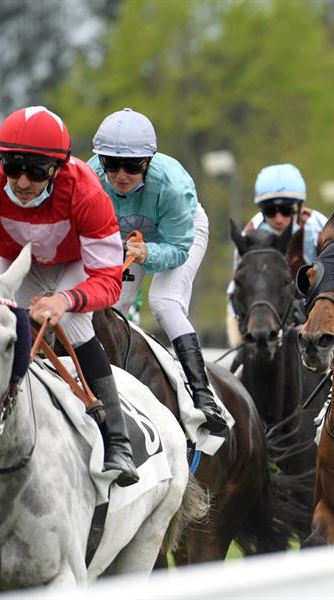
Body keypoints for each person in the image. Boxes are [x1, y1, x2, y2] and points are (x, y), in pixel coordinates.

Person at [0, 105, 140, 493]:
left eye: (36, 171)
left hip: (76, 263)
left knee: (75, 324)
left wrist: (66, 300)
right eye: (12, 167)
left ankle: (118, 440)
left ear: (57, 169)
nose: (23, 181)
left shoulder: (89, 194)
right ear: (0, 162)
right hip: (17, 261)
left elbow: (108, 282)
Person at [89, 108, 226, 434]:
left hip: (180, 234)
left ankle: (202, 393)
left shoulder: (173, 186)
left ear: (148, 162)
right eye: (111, 163)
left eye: (133, 166)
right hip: (127, 238)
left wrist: (148, 253)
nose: (121, 174)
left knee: (164, 302)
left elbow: (178, 249)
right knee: (107, 307)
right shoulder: (89, 178)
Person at [226, 163, 328, 344]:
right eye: (270, 211)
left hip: (316, 316)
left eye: (286, 210)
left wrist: (306, 309)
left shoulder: (319, 227)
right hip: (263, 320)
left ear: (299, 208)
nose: (279, 219)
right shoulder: (248, 234)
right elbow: (236, 292)